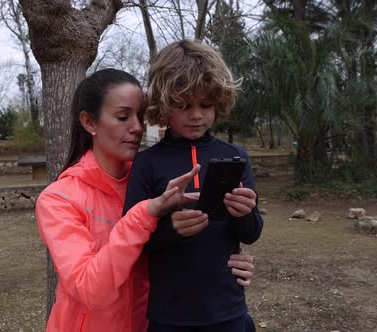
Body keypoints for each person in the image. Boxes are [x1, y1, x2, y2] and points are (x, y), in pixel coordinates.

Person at [35, 68, 256, 332]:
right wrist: (146, 213)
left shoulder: (148, 179)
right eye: (122, 117)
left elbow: (168, 251)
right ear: (89, 122)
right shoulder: (59, 199)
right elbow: (88, 288)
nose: (137, 128)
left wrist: (224, 261)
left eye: (140, 117)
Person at [123, 40, 264, 332]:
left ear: (219, 101)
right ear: (163, 105)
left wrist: (245, 213)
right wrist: (171, 229)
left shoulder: (236, 156)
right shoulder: (147, 163)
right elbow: (132, 240)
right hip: (170, 315)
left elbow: (251, 234)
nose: (196, 114)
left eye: (206, 104)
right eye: (183, 105)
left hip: (228, 309)